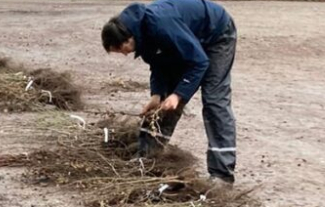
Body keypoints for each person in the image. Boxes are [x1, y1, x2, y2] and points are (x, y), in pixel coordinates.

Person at [102, 0, 238, 183]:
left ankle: (222, 174)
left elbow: (199, 61)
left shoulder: (160, 25)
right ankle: (146, 158)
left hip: (216, 35)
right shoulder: (141, 34)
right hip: (190, 41)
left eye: (120, 49)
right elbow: (159, 64)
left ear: (128, 38)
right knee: (164, 103)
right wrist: (156, 95)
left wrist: (178, 94)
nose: (124, 54)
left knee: (214, 101)